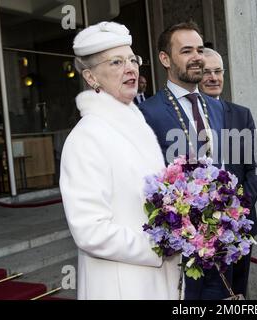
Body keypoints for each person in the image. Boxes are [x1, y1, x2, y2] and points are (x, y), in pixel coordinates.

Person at [59, 21, 180, 300]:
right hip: (121, 285)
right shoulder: (86, 138)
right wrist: (161, 245)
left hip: (156, 279)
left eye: (132, 59)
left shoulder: (134, 125)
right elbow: (90, 231)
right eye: (116, 62)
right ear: (91, 77)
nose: (130, 68)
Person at [138, 22, 228, 300]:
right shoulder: (147, 112)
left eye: (199, 50)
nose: (197, 57)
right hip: (178, 247)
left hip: (221, 241)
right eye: (186, 50)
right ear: (165, 59)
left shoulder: (216, 106)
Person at [199, 48, 257, 298]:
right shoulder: (185, 119)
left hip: (240, 225)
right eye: (206, 72)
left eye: (218, 71)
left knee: (237, 293)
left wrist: (239, 209)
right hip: (200, 229)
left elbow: (256, 167)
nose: (213, 77)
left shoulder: (240, 114)